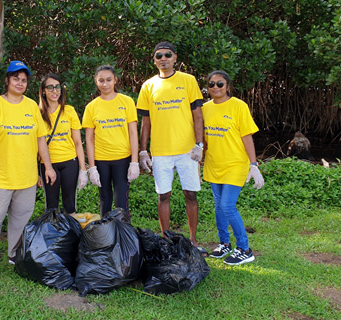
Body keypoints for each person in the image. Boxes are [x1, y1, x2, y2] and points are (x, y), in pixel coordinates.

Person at [0, 61, 56, 279]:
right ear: (7, 80)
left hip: (26, 176)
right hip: (1, 176)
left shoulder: (31, 107)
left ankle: (15, 253)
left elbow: (40, 140)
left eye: (24, 80)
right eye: (16, 79)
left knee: (21, 219)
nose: (20, 83)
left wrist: (47, 167)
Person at [136, 41, 206, 254]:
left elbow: (198, 115)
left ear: (175, 58)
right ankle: (166, 239)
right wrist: (142, 150)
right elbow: (145, 122)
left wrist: (199, 145)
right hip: (161, 152)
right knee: (163, 195)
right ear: (154, 60)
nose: (163, 59)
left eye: (168, 55)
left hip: (187, 151)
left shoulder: (188, 80)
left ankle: (193, 241)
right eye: (159, 56)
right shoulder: (148, 86)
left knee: (190, 194)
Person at [202, 70, 264, 265]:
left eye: (220, 84)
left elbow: (247, 136)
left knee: (227, 206)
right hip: (214, 164)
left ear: (227, 86)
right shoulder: (205, 108)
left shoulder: (239, 106)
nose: (216, 88)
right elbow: (203, 138)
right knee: (218, 208)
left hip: (235, 164)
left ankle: (245, 248)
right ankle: (224, 244)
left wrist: (253, 165)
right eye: (212, 84)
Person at [82, 65, 139, 218]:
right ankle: (106, 238)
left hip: (122, 159)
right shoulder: (91, 107)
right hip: (101, 161)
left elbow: (133, 133)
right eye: (101, 81)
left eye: (108, 80)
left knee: (121, 202)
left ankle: (124, 237)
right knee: (105, 200)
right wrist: (92, 167)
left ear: (115, 80)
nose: (105, 84)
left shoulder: (126, 102)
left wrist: (134, 161)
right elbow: (89, 138)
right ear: (96, 81)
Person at [37, 73, 88, 215]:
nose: (55, 91)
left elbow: (78, 142)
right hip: (48, 164)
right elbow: (34, 145)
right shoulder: (37, 113)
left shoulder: (69, 111)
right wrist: (36, 172)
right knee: (51, 205)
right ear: (43, 91)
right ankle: (53, 233)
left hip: (69, 162)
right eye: (50, 87)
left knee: (69, 203)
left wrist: (83, 169)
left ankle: (70, 234)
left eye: (58, 87)